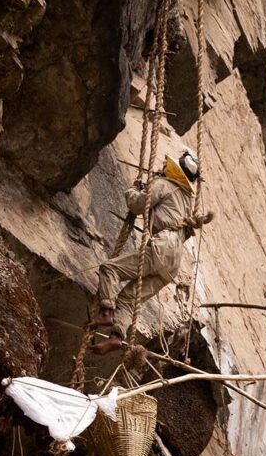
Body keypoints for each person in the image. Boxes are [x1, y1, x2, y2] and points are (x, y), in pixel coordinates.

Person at [90, 149, 211, 355]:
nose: (163, 168)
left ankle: (106, 312)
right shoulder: (188, 202)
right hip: (173, 263)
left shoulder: (165, 185)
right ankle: (116, 337)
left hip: (161, 247)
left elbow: (137, 205)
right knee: (129, 299)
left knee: (109, 269)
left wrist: (133, 190)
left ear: (173, 170)